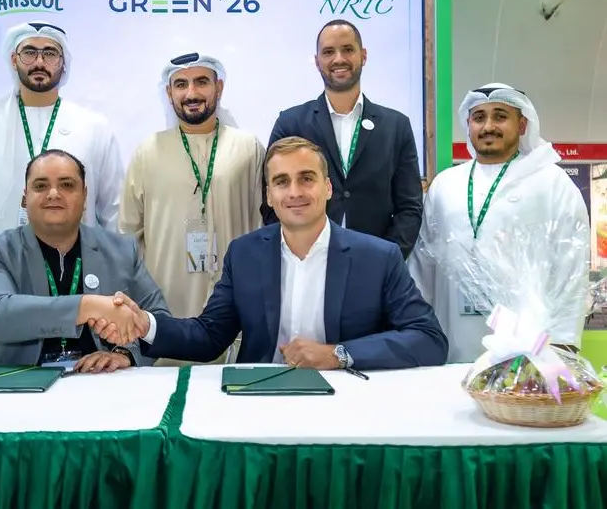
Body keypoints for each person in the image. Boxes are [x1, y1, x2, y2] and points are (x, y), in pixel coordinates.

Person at [99, 137, 447, 370]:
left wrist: (338, 355)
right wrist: (147, 325)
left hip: (346, 405)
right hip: (259, 402)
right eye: (281, 181)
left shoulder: (378, 257)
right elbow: (209, 337)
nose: (294, 192)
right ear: (268, 195)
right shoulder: (245, 254)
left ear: (328, 187)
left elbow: (428, 339)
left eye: (306, 178)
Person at [408, 83, 589, 363]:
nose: (488, 126)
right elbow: (422, 265)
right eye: (479, 117)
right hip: (449, 342)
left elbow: (571, 265)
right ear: (468, 125)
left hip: (528, 351)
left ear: (522, 125)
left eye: (500, 116)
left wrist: (562, 342)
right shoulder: (445, 185)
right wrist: (416, 330)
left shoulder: (551, 182)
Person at [0, 149, 165, 372]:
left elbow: (159, 320)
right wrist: (88, 306)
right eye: (41, 186)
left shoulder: (121, 250)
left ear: (85, 196)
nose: (53, 193)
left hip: (99, 383)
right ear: (24, 197)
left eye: (67, 185)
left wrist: (125, 354)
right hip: (16, 385)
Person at [118, 53, 264, 363]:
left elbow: (264, 228)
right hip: (166, 306)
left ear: (218, 87)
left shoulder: (248, 148)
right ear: (169, 93)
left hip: (235, 306)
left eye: (201, 82)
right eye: (181, 84)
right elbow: (127, 238)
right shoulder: (148, 151)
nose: (191, 93)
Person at [0, 20, 124, 278]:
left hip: (79, 276)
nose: (40, 62)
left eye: (50, 53)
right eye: (30, 52)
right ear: (14, 59)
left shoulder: (94, 127)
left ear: (63, 63)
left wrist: (114, 280)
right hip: (4, 275)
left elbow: (114, 211)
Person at [262, 19, 423, 258]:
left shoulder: (396, 126)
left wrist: (387, 260)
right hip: (307, 260)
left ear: (363, 55)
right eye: (328, 52)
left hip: (375, 261)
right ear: (317, 61)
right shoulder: (290, 123)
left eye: (348, 49)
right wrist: (298, 257)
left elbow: (409, 207)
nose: (339, 59)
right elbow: (271, 203)